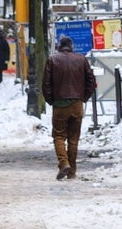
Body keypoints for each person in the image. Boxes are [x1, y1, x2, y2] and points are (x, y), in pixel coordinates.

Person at [42, 35, 101, 180]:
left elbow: (46, 84)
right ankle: (72, 171)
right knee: (74, 138)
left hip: (60, 104)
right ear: (71, 46)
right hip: (77, 104)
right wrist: (83, 97)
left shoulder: (53, 60)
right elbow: (91, 81)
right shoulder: (81, 59)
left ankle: (64, 163)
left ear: (59, 46)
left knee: (59, 136)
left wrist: (51, 100)